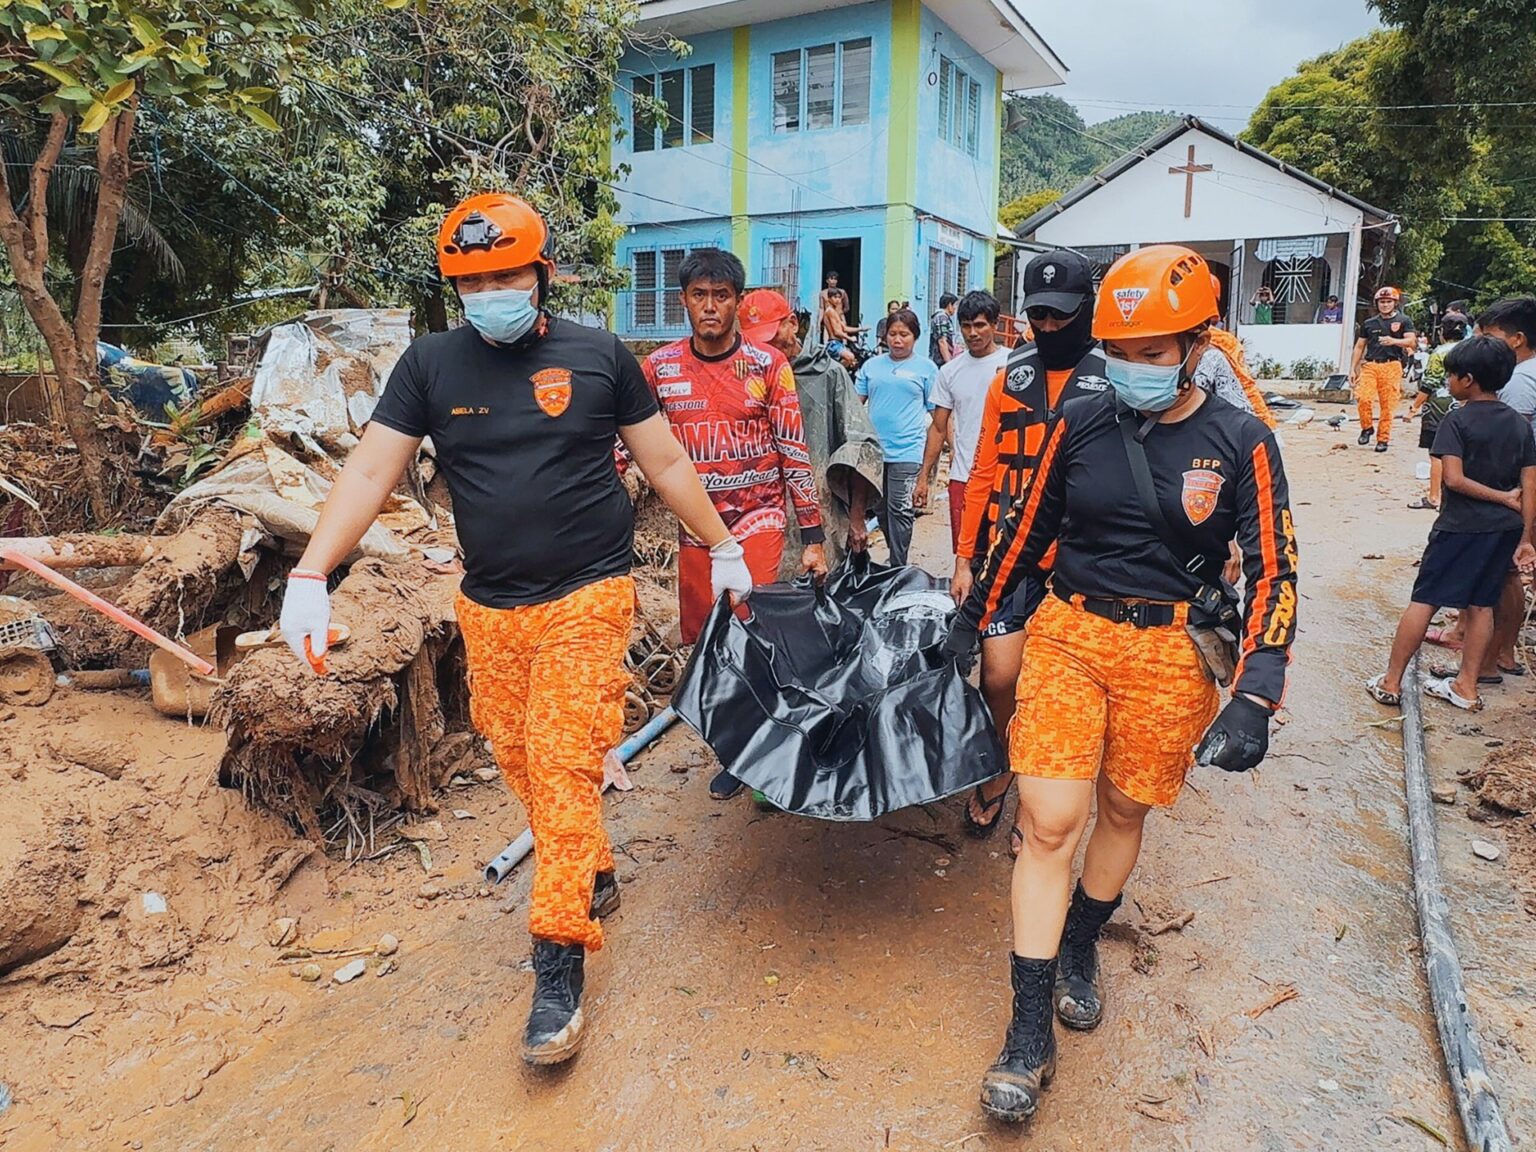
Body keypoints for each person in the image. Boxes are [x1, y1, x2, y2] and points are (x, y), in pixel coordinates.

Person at [276, 194, 750, 1067]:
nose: (489, 292)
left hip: (590, 593)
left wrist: (721, 545)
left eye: (505, 275)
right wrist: (311, 573)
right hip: (490, 604)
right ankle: (592, 869)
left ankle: (557, 962)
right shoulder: (431, 365)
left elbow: (664, 460)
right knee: (522, 757)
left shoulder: (599, 356)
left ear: (542, 272)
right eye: (471, 282)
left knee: (565, 762)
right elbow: (372, 469)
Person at [948, 245, 1297, 1126]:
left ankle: (1080, 941)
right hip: (1069, 635)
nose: (1134, 368)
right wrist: (976, 613)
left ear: (1197, 344)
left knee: (1123, 809)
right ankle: (1028, 1032)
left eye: (1154, 353)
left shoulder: (1243, 441)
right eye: (1121, 352)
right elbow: (1027, 533)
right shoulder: (1081, 420)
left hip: (1172, 654)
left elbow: (1275, 569)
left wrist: (1257, 691)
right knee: (1047, 822)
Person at [642, 250, 829, 802]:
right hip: (696, 528)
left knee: (753, 634)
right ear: (683, 301)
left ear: (737, 302)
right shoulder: (659, 369)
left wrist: (813, 536)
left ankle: (764, 756)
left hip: (758, 519)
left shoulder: (768, 366)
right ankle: (733, 750)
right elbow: (632, 445)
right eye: (699, 295)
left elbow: (793, 450)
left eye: (721, 296)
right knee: (710, 643)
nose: (710, 307)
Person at [950, 252, 1107, 847]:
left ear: (1085, 310)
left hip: (1080, 559)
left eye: (1060, 315)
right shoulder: (1007, 380)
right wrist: (965, 557)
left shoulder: (1112, 378)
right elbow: (984, 470)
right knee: (999, 674)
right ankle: (1003, 760)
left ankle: (1032, 796)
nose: (1048, 327)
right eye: (1038, 315)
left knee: (1056, 684)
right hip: (1009, 555)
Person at [1367, 335, 1536, 711]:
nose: (1447, 382)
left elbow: (1454, 480)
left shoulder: (1455, 420)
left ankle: (1391, 682)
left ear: (1468, 380)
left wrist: (1500, 497)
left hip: (1460, 527)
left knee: (1424, 600)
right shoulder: (1520, 425)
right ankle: (1466, 686)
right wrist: (1525, 535)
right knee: (1481, 604)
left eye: (1451, 376)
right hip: (1504, 530)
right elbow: (1530, 484)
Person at [739, 287, 883, 575]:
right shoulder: (743, 378)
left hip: (821, 515)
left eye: (771, 338)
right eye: (756, 343)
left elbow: (862, 446)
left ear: (792, 324)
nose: (766, 351)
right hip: (759, 518)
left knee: (819, 591)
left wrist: (857, 518)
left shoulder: (828, 374)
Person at [1471, 297, 1536, 677]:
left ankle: (1498, 655)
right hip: (1517, 492)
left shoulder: (1518, 383)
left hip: (1512, 494)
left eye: (1490, 336)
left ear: (1516, 339)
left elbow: (1512, 449)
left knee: (1507, 573)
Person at [917, 290, 1008, 553]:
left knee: (1005, 554)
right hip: (964, 476)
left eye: (980, 325)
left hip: (1006, 477)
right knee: (966, 556)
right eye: (966, 326)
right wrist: (923, 477)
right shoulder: (949, 372)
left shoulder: (1014, 363)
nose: (972, 333)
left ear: (995, 324)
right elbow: (938, 428)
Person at [855, 307, 937, 566]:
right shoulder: (871, 366)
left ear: (915, 337)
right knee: (879, 508)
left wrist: (938, 455)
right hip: (875, 451)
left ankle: (898, 566)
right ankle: (895, 556)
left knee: (900, 509)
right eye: (892, 334)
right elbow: (855, 405)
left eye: (904, 334)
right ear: (885, 336)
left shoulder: (926, 369)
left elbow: (937, 416)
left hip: (908, 450)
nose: (898, 340)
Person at [1406, 315, 1469, 510]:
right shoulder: (1471, 350)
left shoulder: (1440, 353)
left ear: (1442, 332)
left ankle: (1435, 497)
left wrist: (1413, 408)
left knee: (1437, 454)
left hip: (1439, 406)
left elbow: (1429, 384)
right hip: (1466, 404)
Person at [1352, 285, 1417, 452]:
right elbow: (1359, 346)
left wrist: (1394, 341)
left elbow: (1411, 342)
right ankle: (1367, 427)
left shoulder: (1404, 321)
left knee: (1388, 405)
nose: (1385, 305)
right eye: (1382, 302)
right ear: (1377, 303)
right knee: (1363, 397)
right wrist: (1352, 368)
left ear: (1395, 303)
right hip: (1371, 364)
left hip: (1392, 365)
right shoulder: (1369, 323)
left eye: (1388, 301)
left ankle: (1383, 438)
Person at [821, 289, 858, 371]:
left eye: (839, 297)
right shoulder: (830, 311)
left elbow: (844, 328)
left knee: (853, 362)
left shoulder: (835, 312)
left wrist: (861, 329)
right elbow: (837, 332)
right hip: (833, 343)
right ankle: (835, 373)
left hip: (839, 343)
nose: (838, 300)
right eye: (835, 297)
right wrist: (850, 338)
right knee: (850, 357)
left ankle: (837, 372)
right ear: (829, 298)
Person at [930, 292, 959, 364]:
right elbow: (942, 341)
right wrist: (948, 363)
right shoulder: (942, 318)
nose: (955, 308)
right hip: (940, 361)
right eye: (955, 305)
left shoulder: (943, 317)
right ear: (949, 305)